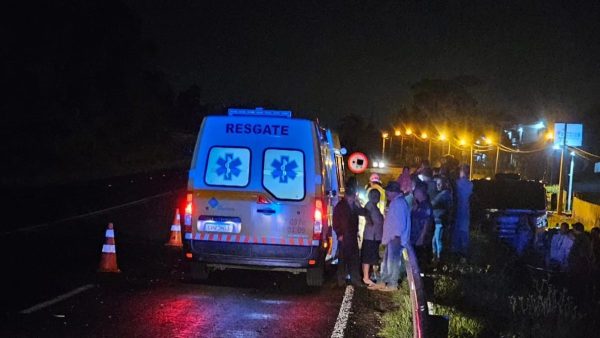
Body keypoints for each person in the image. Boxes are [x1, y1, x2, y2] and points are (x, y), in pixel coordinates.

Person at [369, 181, 411, 292]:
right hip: (392, 237)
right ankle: (383, 281)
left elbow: (400, 223)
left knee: (393, 261)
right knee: (387, 261)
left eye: (388, 191)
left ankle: (392, 283)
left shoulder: (399, 203)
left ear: (393, 192)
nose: (386, 193)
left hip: (395, 237)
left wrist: (395, 235)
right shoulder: (396, 202)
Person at [333, 182, 367, 287]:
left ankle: (355, 279)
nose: (352, 199)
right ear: (347, 196)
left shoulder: (354, 207)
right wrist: (339, 234)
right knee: (343, 259)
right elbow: (335, 221)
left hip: (352, 236)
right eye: (351, 197)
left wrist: (358, 205)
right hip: (344, 236)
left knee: (354, 259)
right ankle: (341, 280)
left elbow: (364, 213)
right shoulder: (340, 206)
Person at [361, 189, 384, 286]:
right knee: (368, 257)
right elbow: (365, 213)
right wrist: (369, 220)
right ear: (370, 196)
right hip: (371, 236)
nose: (376, 197)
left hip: (375, 237)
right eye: (374, 195)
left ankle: (370, 276)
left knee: (373, 257)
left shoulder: (375, 207)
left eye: (377, 195)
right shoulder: (370, 205)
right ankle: (366, 277)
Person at [451, 164, 473, 258]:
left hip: (457, 210)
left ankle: (455, 250)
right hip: (466, 210)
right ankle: (464, 251)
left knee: (456, 230)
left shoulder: (457, 183)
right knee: (464, 230)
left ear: (462, 172)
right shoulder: (470, 184)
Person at [410, 181, 434, 266]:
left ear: (420, 192)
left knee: (419, 260)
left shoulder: (426, 206)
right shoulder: (419, 205)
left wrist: (421, 238)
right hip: (414, 238)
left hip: (419, 239)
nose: (413, 193)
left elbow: (427, 223)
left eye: (415, 191)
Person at [431, 176, 453, 262]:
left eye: (439, 184)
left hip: (440, 221)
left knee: (438, 241)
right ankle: (436, 258)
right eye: (437, 184)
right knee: (435, 241)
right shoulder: (445, 194)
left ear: (444, 184)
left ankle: (439, 260)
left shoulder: (444, 195)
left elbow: (433, 203)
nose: (438, 185)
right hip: (439, 221)